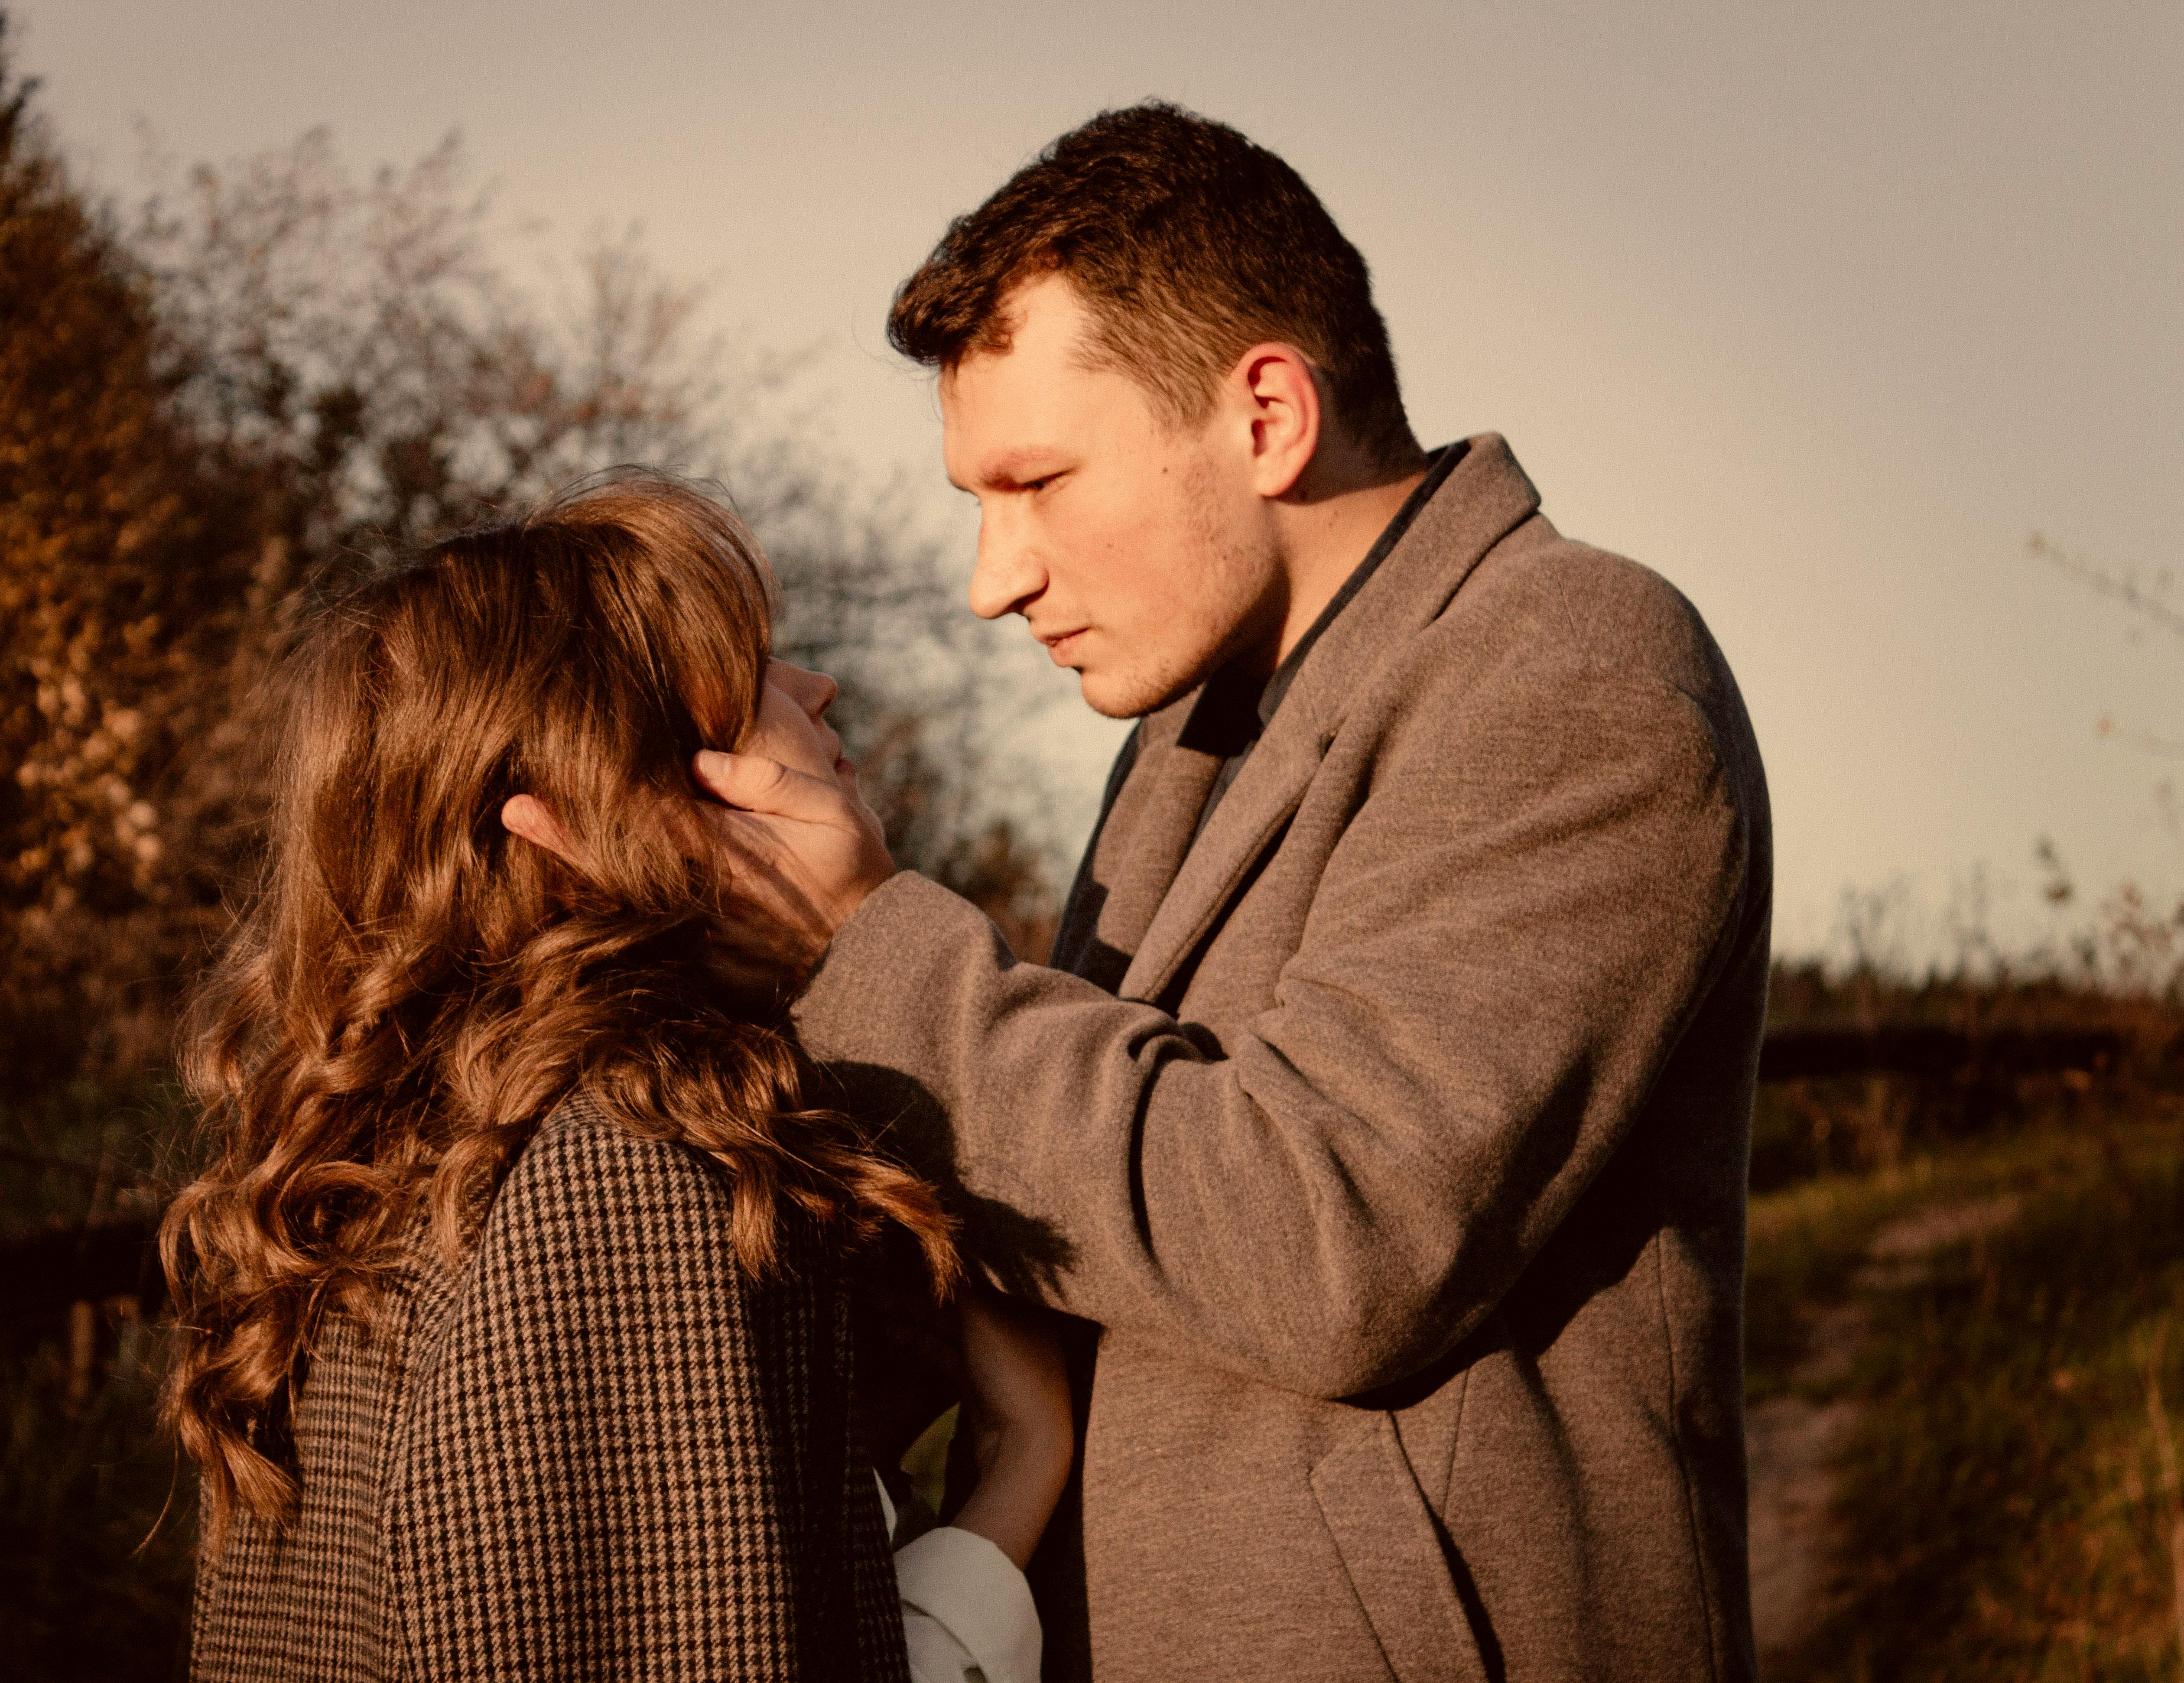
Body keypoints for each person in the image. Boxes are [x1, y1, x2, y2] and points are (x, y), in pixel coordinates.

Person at [686, 104, 1774, 1681]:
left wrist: (870, 941)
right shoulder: (1203, 728)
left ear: (1266, 412)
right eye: (976, 503)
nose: (995, 577)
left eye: (1039, 481)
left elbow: (1330, 1241)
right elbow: (1089, 1206)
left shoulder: (1576, 670)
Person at [161, 475, 1073, 1683]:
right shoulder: (615, 1175)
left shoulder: (413, 1151)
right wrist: (1017, 1473)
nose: (814, 687)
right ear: (603, 815)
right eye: (746, 683)